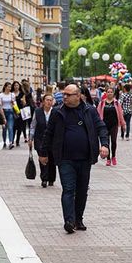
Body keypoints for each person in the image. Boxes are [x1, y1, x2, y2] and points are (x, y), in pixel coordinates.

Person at [41, 84, 109, 234]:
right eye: (64, 94)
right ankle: (69, 221)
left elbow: (101, 127)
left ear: (78, 96)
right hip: (65, 159)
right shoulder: (57, 112)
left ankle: (78, 219)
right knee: (68, 189)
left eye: (68, 94)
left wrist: (104, 144)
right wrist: (43, 153)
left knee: (82, 190)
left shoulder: (89, 110)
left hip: (85, 158)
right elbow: (49, 133)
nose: (64, 97)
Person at [30, 94, 57, 188]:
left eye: (51, 100)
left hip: (52, 140)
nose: (49, 102)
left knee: (52, 159)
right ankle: (44, 179)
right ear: (43, 101)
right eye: (47, 100)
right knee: (42, 158)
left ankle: (51, 179)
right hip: (40, 139)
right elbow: (33, 125)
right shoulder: (38, 112)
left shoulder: (55, 112)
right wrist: (30, 138)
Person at [96, 87, 126, 166]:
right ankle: (108, 158)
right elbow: (98, 114)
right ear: (106, 93)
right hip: (104, 125)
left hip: (114, 124)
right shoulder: (102, 103)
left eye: (111, 92)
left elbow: (120, 114)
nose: (109, 93)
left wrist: (123, 124)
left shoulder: (116, 103)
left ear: (114, 93)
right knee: (107, 142)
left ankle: (114, 156)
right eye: (108, 92)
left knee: (113, 141)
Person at [0, 82, 17, 149]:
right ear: (5, 87)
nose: (10, 88)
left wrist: (13, 103)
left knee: (10, 127)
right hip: (3, 111)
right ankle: (4, 142)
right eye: (8, 87)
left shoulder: (12, 95)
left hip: (10, 111)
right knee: (4, 128)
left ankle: (11, 142)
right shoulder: (0, 95)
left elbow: (15, 104)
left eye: (10, 87)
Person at [14, 81, 32, 147]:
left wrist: (23, 101)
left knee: (20, 126)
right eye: (15, 85)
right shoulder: (12, 94)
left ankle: (18, 140)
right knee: (14, 126)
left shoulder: (23, 94)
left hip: (22, 111)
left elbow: (25, 103)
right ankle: (12, 141)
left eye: (17, 85)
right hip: (14, 111)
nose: (16, 87)